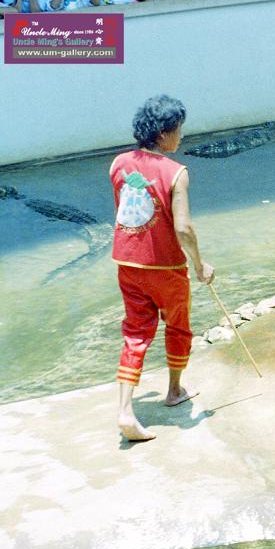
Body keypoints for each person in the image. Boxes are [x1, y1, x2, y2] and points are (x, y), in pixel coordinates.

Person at [111, 95, 214, 442]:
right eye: (178, 130)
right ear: (164, 133)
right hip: (166, 267)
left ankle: (126, 411)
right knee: (178, 326)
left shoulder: (118, 164)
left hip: (127, 263)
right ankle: (174, 390)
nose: (181, 136)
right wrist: (199, 265)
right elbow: (183, 229)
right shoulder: (176, 173)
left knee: (136, 332)